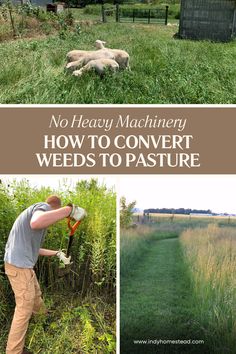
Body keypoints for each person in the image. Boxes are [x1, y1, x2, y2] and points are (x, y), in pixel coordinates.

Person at [4, 195, 85, 354]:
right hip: (19, 267)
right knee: (24, 308)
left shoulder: (33, 217)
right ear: (54, 207)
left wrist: (57, 253)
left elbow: (37, 250)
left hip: (22, 265)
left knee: (35, 294)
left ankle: (42, 317)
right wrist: (69, 210)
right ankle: (14, 351)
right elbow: (37, 222)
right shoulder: (42, 207)